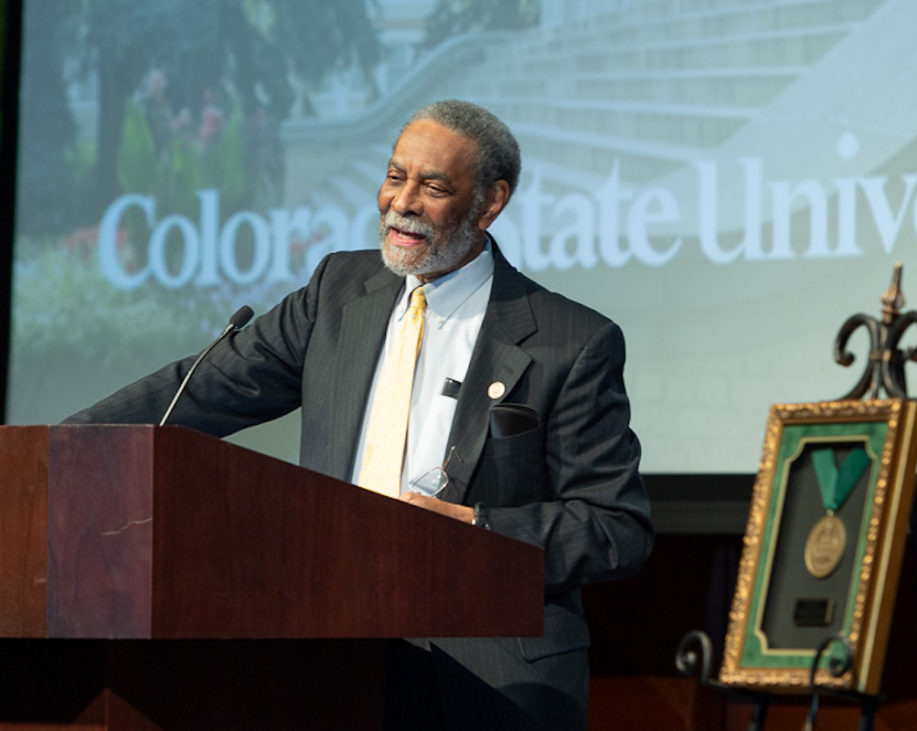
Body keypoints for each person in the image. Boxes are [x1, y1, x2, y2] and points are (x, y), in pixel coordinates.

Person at [65, 99, 653, 729]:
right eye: (396, 177)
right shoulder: (336, 292)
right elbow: (197, 391)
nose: (402, 202)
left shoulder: (571, 340)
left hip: (493, 678)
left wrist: (475, 530)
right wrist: (60, 448)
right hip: (332, 659)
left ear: (489, 203)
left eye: (432, 186)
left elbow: (616, 527)